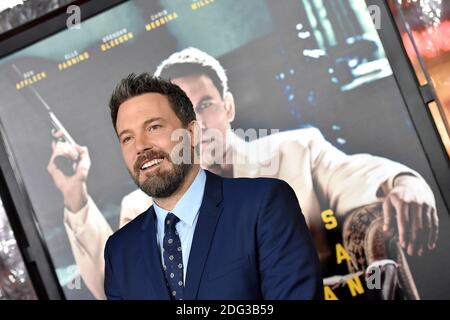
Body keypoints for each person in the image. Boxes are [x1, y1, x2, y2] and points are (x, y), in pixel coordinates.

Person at [48, 47, 438, 300]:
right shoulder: (141, 207)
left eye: (207, 105)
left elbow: (357, 174)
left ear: (228, 107)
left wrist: (403, 183)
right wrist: (75, 197)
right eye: (128, 137)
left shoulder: (293, 152)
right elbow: (112, 285)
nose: (200, 121)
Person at [103, 74, 322, 299]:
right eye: (127, 138)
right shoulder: (119, 251)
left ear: (192, 133)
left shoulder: (265, 204)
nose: (140, 146)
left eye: (154, 127)